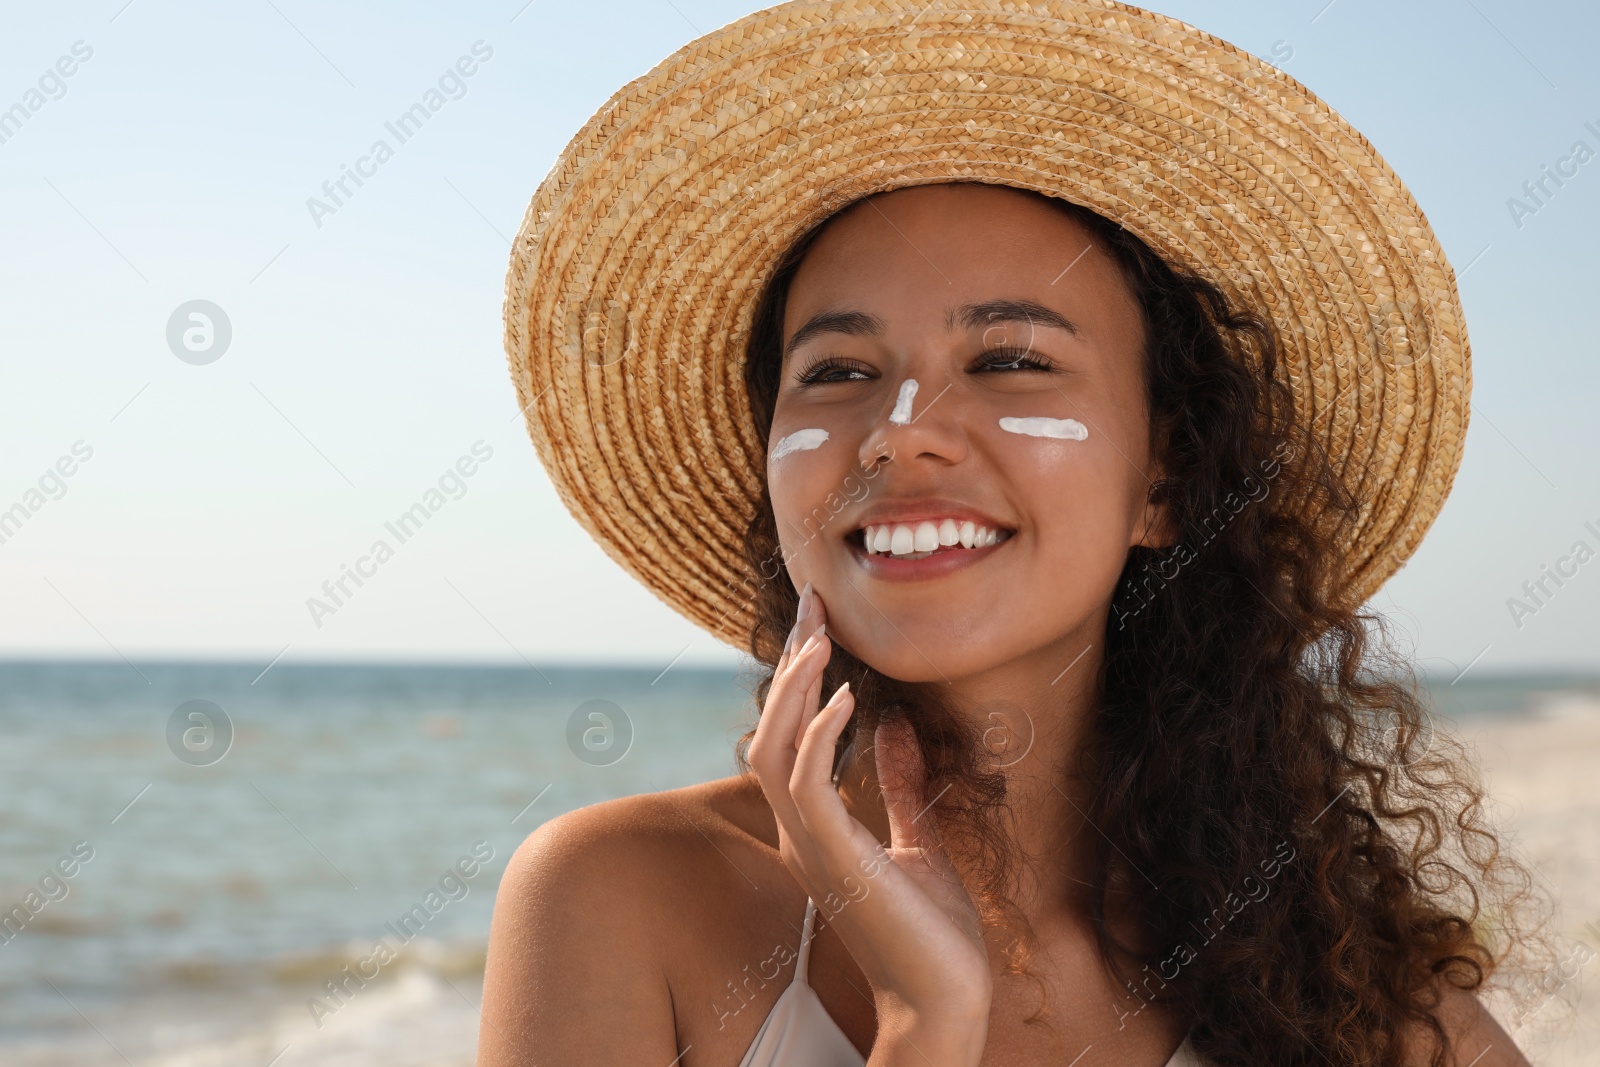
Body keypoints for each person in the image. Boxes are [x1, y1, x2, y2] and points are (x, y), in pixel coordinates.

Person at [482, 3, 1547, 1064]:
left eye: (1008, 361)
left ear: (1164, 482)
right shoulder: (621, 895)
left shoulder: (1336, 978)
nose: (900, 437)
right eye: (839, 374)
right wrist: (923, 1026)